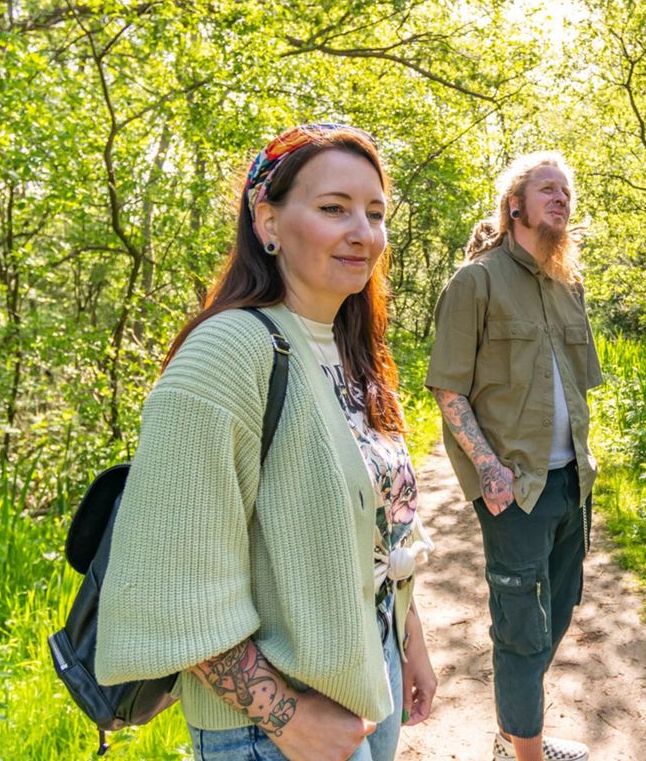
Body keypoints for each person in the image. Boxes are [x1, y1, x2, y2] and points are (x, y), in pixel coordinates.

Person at [97, 123, 436, 761]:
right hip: (271, 724)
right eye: (334, 209)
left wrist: (407, 641)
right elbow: (170, 579)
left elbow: (378, 529)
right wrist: (285, 716)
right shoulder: (230, 351)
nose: (362, 232)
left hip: (366, 676)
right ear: (268, 222)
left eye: (375, 213)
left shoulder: (348, 348)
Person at [426, 152, 602, 761]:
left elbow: (577, 388)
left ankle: (513, 733)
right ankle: (523, 753)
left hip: (571, 483)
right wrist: (488, 468)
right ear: (515, 205)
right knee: (522, 631)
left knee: (557, 610)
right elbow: (449, 387)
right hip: (514, 489)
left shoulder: (568, 284)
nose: (561, 198)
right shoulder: (475, 282)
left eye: (567, 191)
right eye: (547, 189)